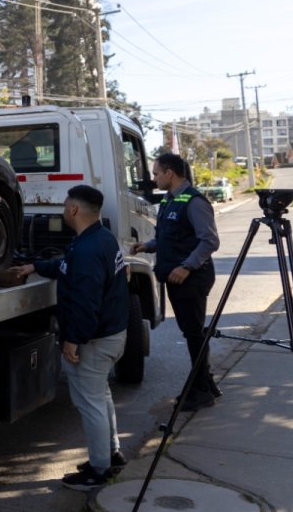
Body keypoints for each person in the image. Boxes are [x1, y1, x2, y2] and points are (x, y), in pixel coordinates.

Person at [12, 184, 128, 491]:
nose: (64, 210)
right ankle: (111, 454)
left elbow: (86, 303)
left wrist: (73, 340)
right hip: (110, 335)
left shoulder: (88, 248)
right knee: (100, 396)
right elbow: (68, 267)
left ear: (74, 209)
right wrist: (35, 266)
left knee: (90, 404)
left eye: (65, 205)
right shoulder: (99, 239)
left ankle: (99, 470)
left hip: (94, 340)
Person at [131, 152, 221, 411]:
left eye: (156, 173)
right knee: (192, 332)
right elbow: (172, 236)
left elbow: (209, 241)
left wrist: (186, 267)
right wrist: (147, 245)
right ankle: (206, 382)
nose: (154, 179)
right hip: (176, 277)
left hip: (191, 278)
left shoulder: (193, 201)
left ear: (170, 172)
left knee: (193, 334)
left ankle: (200, 391)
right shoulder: (171, 200)